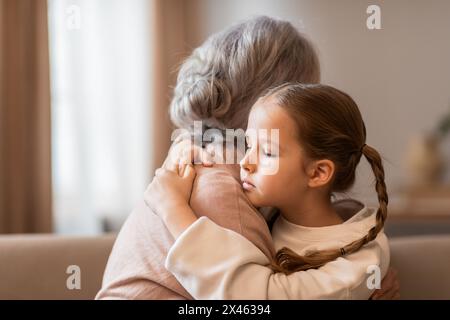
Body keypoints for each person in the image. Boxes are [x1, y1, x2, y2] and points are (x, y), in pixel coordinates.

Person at [96, 16, 399, 300]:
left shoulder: (221, 163)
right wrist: (172, 208)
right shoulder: (222, 185)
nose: (247, 163)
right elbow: (251, 298)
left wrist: (358, 282)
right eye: (305, 91)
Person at [146, 83, 391, 299]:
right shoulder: (268, 206)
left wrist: (173, 209)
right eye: (249, 145)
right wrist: (187, 149)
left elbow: (258, 297)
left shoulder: (358, 264)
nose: (246, 163)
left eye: (268, 153)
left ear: (317, 173)